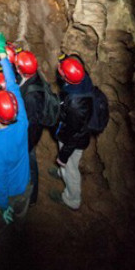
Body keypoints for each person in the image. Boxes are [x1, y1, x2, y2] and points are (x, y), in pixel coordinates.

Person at [0, 32, 31, 242]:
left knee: (4, 226)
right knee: (21, 220)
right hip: (24, 186)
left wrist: (3, 206)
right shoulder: (22, 121)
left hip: (9, 192)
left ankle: (5, 245)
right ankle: (19, 236)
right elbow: (13, 87)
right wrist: (3, 55)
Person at [48, 53, 93, 210]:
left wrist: (64, 156)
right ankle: (62, 172)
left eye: (62, 73)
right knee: (67, 165)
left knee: (72, 167)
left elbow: (75, 135)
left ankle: (72, 199)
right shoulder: (83, 78)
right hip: (70, 131)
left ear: (67, 78)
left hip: (73, 141)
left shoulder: (76, 105)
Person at [14, 48, 52, 206]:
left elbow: (33, 124)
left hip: (28, 137)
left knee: (30, 161)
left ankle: (32, 197)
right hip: (28, 130)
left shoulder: (32, 98)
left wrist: (26, 145)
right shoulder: (31, 75)